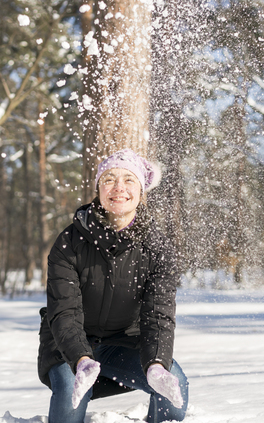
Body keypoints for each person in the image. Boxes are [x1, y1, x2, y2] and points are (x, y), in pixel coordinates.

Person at [38, 148, 189, 423]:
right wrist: (81, 359)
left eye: (129, 180)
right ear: (98, 188)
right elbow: (64, 312)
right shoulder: (69, 243)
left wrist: (156, 364)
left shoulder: (157, 247)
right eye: (109, 179)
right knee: (72, 402)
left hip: (123, 344)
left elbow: (158, 314)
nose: (119, 187)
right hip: (69, 347)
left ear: (141, 192)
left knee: (174, 384)